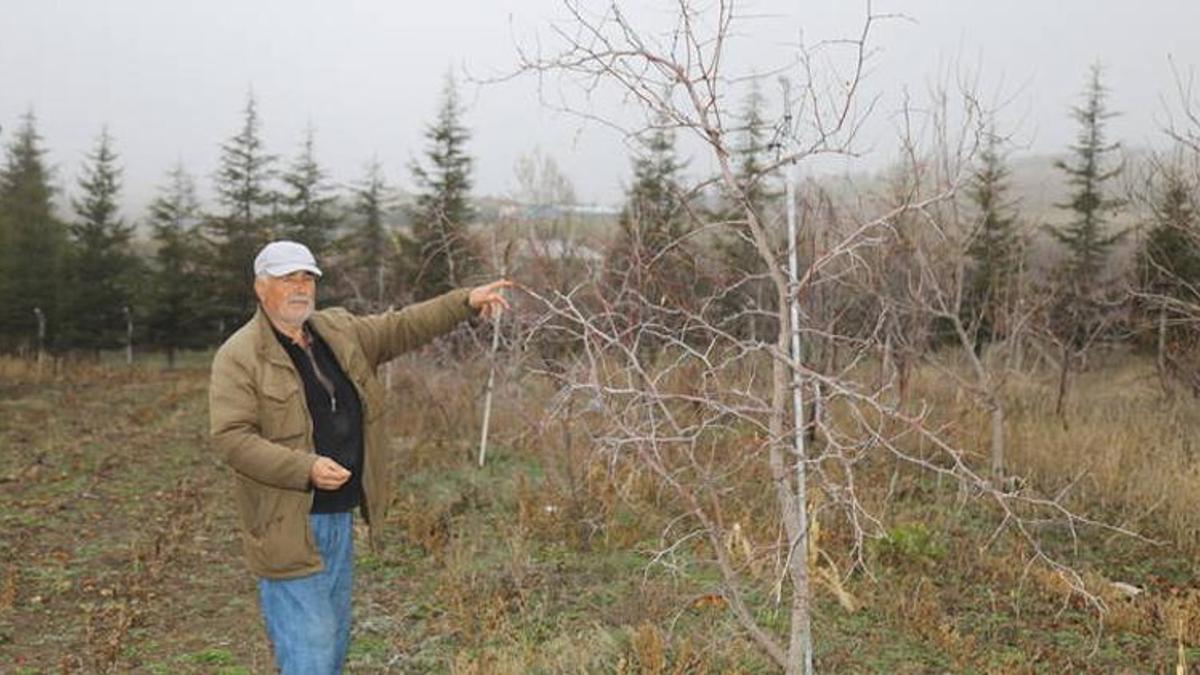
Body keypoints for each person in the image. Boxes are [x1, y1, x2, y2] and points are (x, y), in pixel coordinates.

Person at [209, 240, 512, 673]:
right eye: (287, 279)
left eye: (307, 278)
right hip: (287, 524)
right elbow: (232, 438)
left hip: (338, 517)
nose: (300, 288)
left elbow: (403, 326)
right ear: (261, 288)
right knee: (310, 648)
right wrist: (305, 467)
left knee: (331, 642)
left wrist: (463, 302)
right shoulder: (240, 357)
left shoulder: (337, 331)